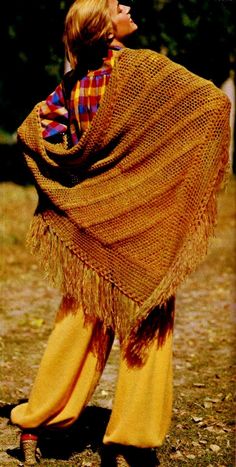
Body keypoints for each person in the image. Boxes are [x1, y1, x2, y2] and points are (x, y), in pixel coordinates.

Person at [10, 0, 231, 466]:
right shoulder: (145, 70)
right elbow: (211, 103)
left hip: (94, 227)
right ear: (104, 24)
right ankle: (130, 441)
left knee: (76, 327)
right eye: (116, 4)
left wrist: (71, 175)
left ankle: (36, 424)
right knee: (148, 332)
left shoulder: (72, 84)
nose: (128, 6)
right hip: (146, 228)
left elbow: (33, 131)